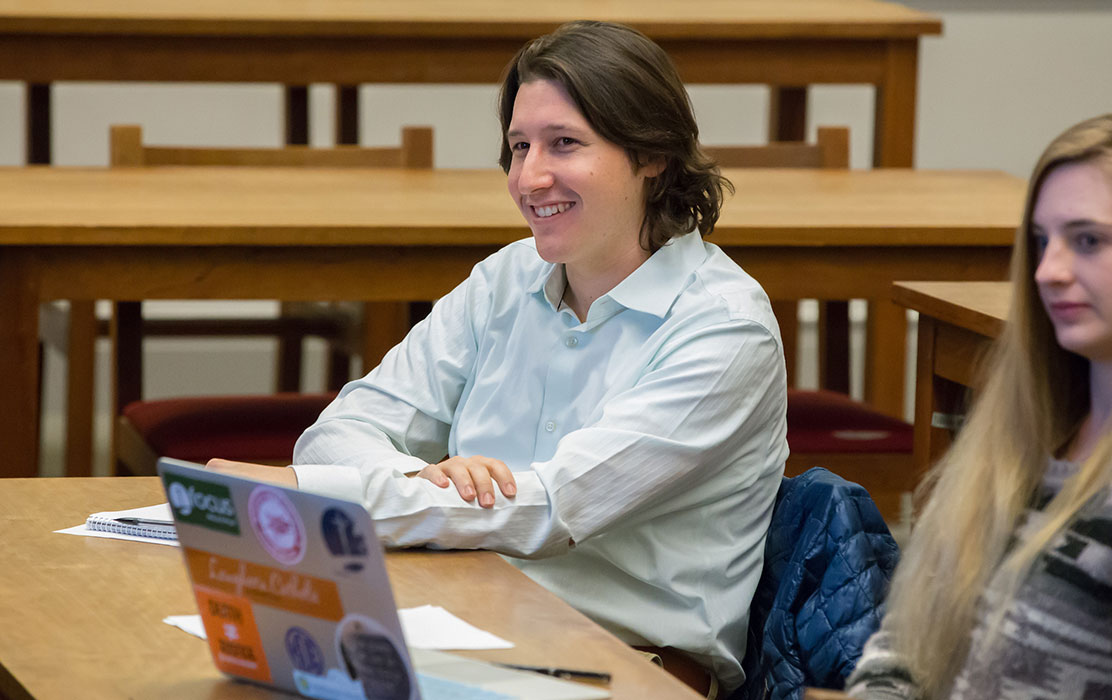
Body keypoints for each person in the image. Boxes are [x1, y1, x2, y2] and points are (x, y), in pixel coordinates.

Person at [210, 20, 788, 696]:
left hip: (628, 664)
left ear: (652, 155)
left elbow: (545, 510)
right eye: (519, 146)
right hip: (464, 621)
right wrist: (423, 476)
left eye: (564, 144)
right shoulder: (505, 280)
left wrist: (317, 495)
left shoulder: (724, 328)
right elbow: (340, 431)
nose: (528, 176)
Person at [845, 114, 1112, 699]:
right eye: (1042, 242)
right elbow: (904, 648)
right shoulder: (1022, 434)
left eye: (1088, 240)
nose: (1048, 271)